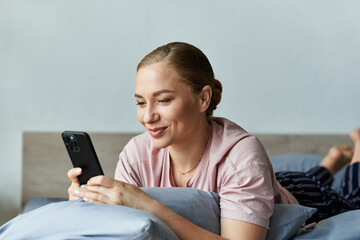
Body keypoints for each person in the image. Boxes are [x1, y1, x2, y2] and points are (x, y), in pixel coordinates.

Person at [68, 42, 360, 240]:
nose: (147, 116)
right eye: (140, 102)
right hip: (260, 186)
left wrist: (147, 205)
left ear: (203, 98)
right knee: (293, 178)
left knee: (352, 196)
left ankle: (356, 152)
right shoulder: (135, 154)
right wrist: (89, 202)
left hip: (300, 194)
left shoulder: (242, 154)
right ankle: (330, 163)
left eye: (163, 100)